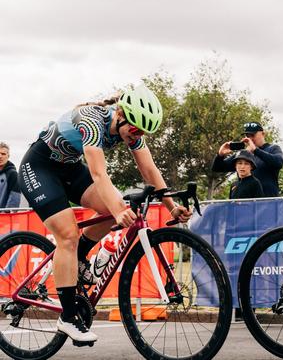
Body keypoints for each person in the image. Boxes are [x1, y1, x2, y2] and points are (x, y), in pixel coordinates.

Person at [17, 85, 192, 344]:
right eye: (133, 129)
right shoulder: (92, 120)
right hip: (39, 167)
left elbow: (149, 169)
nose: (136, 136)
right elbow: (99, 174)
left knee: (116, 209)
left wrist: (170, 206)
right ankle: (67, 318)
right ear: (121, 113)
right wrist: (119, 209)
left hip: (69, 169)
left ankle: (78, 256)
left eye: (142, 132)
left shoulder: (132, 131)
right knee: (68, 235)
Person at [212, 122, 283, 197]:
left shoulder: (273, 148)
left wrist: (256, 150)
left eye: (253, 135)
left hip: (268, 203)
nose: (250, 139)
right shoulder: (244, 153)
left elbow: (278, 162)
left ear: (263, 134)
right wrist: (220, 155)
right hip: (245, 204)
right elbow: (217, 168)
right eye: (247, 136)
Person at [0, 142, 21, 210]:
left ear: (8, 156)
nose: (0, 156)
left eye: (3, 154)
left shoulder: (13, 174)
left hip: (3, 218)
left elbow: (14, 199)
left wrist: (5, 216)